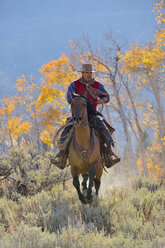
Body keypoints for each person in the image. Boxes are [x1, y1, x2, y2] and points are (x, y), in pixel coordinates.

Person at [51, 64, 120, 169]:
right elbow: (69, 98)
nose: (89, 74)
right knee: (65, 131)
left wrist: (101, 100)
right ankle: (62, 156)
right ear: (82, 73)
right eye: (86, 72)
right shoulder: (74, 85)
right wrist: (79, 99)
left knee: (105, 131)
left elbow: (106, 97)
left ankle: (108, 155)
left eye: (90, 73)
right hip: (77, 115)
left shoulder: (98, 85)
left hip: (92, 115)